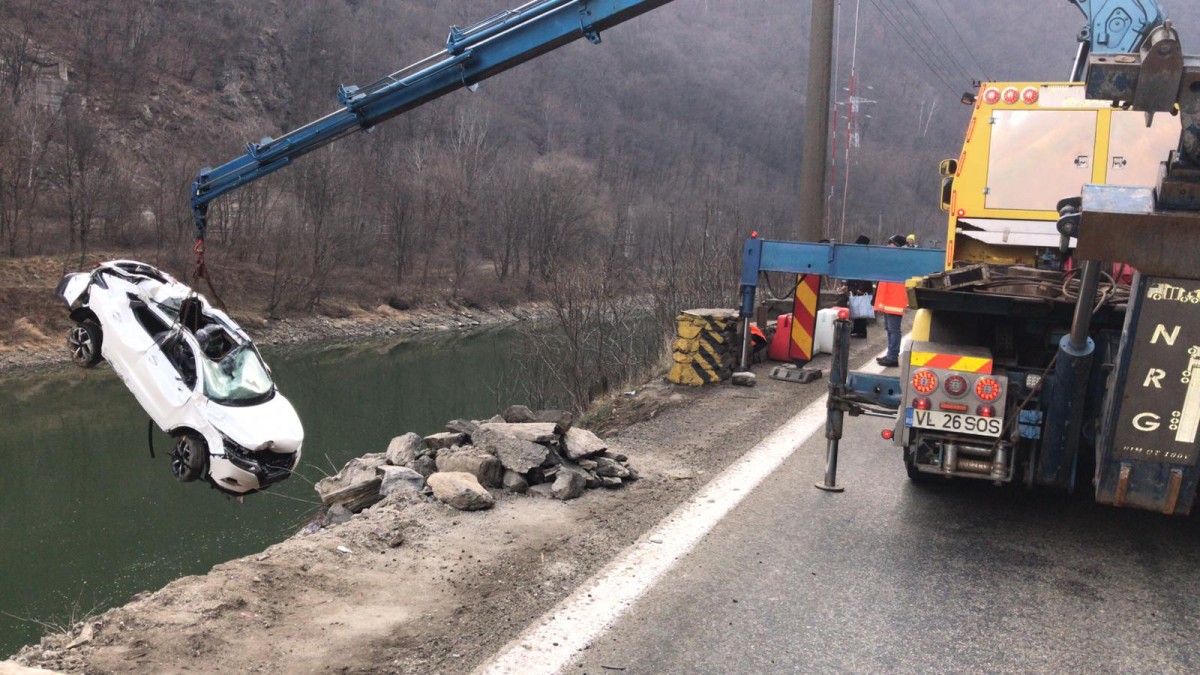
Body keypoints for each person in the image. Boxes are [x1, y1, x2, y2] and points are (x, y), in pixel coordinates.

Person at [875, 234, 908, 368]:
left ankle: (893, 356)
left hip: (895, 300)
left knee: (894, 330)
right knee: (890, 329)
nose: (888, 246)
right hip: (889, 300)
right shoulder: (893, 258)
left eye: (891, 243)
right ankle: (890, 355)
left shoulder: (901, 259)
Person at [847, 235, 874, 339]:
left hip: (861, 287)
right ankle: (856, 329)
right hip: (856, 286)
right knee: (857, 309)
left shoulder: (865, 258)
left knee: (861, 311)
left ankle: (861, 331)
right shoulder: (861, 257)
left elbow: (866, 274)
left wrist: (861, 289)